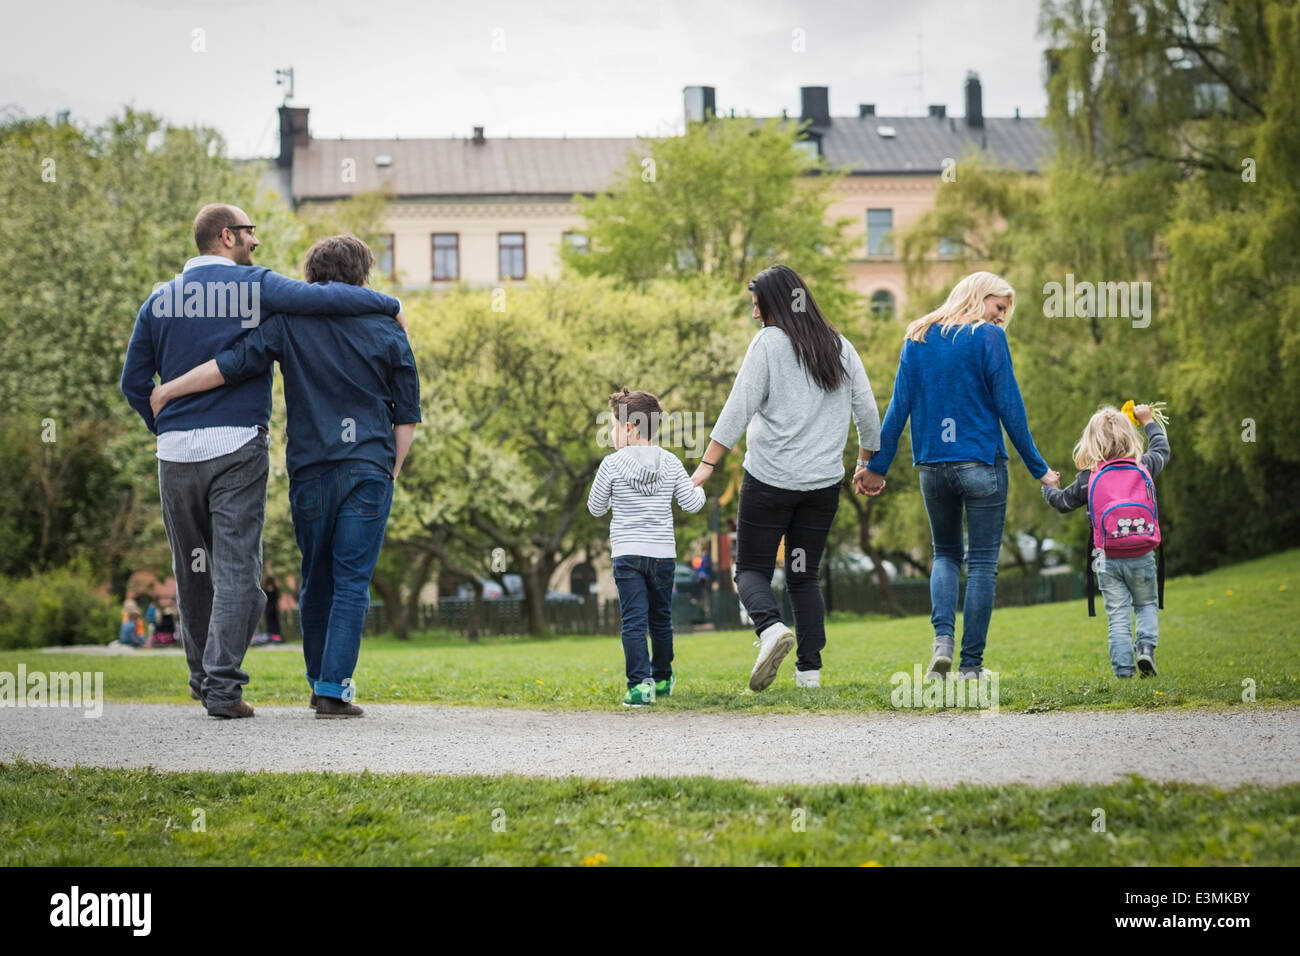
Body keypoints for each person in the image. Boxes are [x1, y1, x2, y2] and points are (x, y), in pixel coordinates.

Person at [121, 203, 408, 719]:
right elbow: (327, 298)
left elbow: (138, 382)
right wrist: (389, 303)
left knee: (191, 570)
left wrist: (163, 418)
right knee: (238, 572)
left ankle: (203, 681)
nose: (257, 243)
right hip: (240, 445)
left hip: (179, 455)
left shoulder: (158, 301)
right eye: (251, 233)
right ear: (228, 236)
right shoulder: (254, 286)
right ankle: (232, 689)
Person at [859, 272, 1060, 680]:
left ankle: (941, 645)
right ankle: (970, 666)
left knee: (945, 555)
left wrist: (876, 467)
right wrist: (1040, 469)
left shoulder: (917, 337)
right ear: (978, 296)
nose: (1002, 317)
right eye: (999, 307)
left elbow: (898, 408)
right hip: (980, 464)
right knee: (983, 564)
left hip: (932, 466)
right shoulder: (987, 338)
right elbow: (1011, 408)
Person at [691, 264, 881, 692]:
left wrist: (707, 465)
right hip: (821, 486)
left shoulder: (768, 344)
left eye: (757, 306)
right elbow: (868, 416)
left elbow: (737, 409)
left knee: (750, 570)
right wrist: (866, 463)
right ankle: (809, 673)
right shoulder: (840, 346)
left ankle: (770, 628)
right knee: (803, 574)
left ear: (774, 303)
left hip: (770, 482)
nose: (755, 315)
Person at [589, 388, 705, 706]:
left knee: (634, 621)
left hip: (627, 554)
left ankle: (640, 685)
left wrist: (615, 495)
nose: (612, 433)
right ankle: (664, 677)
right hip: (663, 555)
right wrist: (700, 486)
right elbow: (692, 504)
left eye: (613, 426)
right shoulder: (670, 462)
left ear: (629, 428)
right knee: (661, 619)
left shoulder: (611, 465)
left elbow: (595, 508)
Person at [1041, 403, 1171, 677]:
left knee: (1118, 616)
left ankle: (1124, 672)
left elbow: (1063, 502)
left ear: (1090, 442)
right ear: (1129, 437)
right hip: (1143, 553)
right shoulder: (1143, 466)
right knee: (1146, 604)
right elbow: (1161, 449)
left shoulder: (1089, 478)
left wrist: (1048, 488)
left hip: (1108, 558)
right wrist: (1147, 420)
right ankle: (1145, 648)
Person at [262, 563, 283, 644]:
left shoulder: (265, 589)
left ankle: (272, 637)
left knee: (270, 623)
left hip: (269, 608)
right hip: (273, 608)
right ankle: (276, 637)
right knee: (274, 623)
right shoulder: (275, 589)